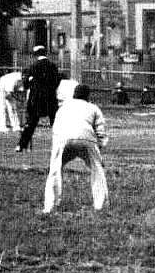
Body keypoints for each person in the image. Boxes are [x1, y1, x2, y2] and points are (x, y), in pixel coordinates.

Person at [43, 84, 108, 214]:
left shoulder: (63, 107)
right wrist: (99, 149)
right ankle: (100, 206)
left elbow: (56, 128)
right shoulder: (93, 107)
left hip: (63, 139)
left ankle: (50, 206)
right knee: (97, 170)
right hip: (86, 138)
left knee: (54, 170)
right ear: (88, 96)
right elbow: (100, 131)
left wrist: (56, 150)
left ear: (74, 94)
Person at [17, 45, 61, 153]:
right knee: (55, 123)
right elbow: (57, 81)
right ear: (45, 53)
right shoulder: (53, 66)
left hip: (36, 99)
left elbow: (25, 84)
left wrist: (32, 83)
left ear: (35, 55)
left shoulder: (33, 66)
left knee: (31, 123)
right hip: (50, 98)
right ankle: (60, 143)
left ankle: (21, 145)